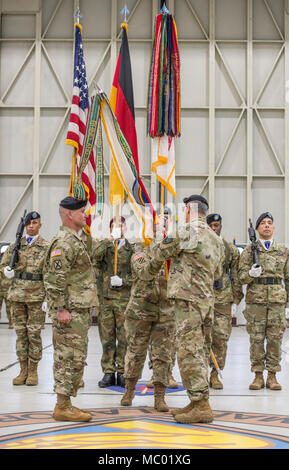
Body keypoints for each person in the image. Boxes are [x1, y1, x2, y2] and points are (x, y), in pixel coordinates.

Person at [164, 195, 224, 424]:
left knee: (188, 351)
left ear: (188, 209)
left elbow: (162, 251)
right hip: (207, 302)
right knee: (200, 350)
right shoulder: (216, 239)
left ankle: (200, 405)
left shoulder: (186, 231)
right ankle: (198, 400)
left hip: (187, 301)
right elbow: (218, 274)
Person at [43, 196, 98, 422]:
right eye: (81, 211)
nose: (85, 215)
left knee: (76, 357)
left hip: (79, 309)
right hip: (69, 311)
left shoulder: (76, 240)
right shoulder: (64, 243)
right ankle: (62, 406)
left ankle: (66, 403)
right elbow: (54, 278)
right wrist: (60, 308)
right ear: (69, 214)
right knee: (67, 357)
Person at [120, 228, 180, 411]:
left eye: (163, 228)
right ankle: (129, 390)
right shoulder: (139, 250)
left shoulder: (173, 251)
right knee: (135, 353)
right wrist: (161, 251)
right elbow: (145, 272)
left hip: (166, 310)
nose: (160, 231)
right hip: (140, 311)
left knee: (163, 355)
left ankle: (159, 397)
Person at [238, 212, 289, 391]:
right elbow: (240, 277)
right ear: (258, 229)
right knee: (256, 339)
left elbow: (288, 278)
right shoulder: (249, 251)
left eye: (269, 223)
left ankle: (273, 376)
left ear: (273, 228)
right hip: (256, 302)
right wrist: (250, 274)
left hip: (277, 301)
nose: (266, 226)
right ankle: (258, 375)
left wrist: (288, 306)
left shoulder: (283, 251)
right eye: (263, 223)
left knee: (275, 339)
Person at [1, 211, 49, 386]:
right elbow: (3, 266)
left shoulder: (46, 246)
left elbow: (50, 274)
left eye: (35, 223)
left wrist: (47, 299)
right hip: (18, 295)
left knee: (34, 334)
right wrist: (6, 271)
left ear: (40, 225)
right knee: (21, 334)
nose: (31, 226)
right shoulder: (15, 245)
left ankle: (33, 371)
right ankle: (23, 370)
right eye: (28, 223)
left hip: (37, 297)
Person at [91, 216, 133, 388]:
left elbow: (139, 273)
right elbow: (94, 257)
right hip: (106, 300)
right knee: (107, 337)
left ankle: (122, 371)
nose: (118, 228)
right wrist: (109, 241)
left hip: (124, 300)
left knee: (124, 337)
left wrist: (124, 281)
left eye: (121, 225)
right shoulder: (105, 246)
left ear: (126, 228)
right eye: (114, 225)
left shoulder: (132, 249)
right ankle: (108, 372)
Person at [206, 213, 244, 389]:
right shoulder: (199, 247)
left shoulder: (230, 249)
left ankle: (215, 373)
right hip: (202, 299)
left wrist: (236, 301)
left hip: (223, 299)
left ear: (221, 226)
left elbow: (236, 276)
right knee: (199, 338)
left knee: (220, 338)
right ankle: (200, 375)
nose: (215, 228)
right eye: (212, 226)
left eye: (217, 225)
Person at [146, 207, 179, 389]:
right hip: (152, 295)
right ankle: (155, 373)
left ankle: (169, 372)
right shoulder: (147, 241)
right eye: (160, 219)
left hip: (171, 295)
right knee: (154, 337)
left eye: (166, 218)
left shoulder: (175, 241)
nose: (163, 222)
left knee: (170, 337)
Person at [0, 245, 13, 328]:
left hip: (8, 288)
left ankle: (11, 323)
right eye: (2, 253)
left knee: (10, 308)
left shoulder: (11, 264)